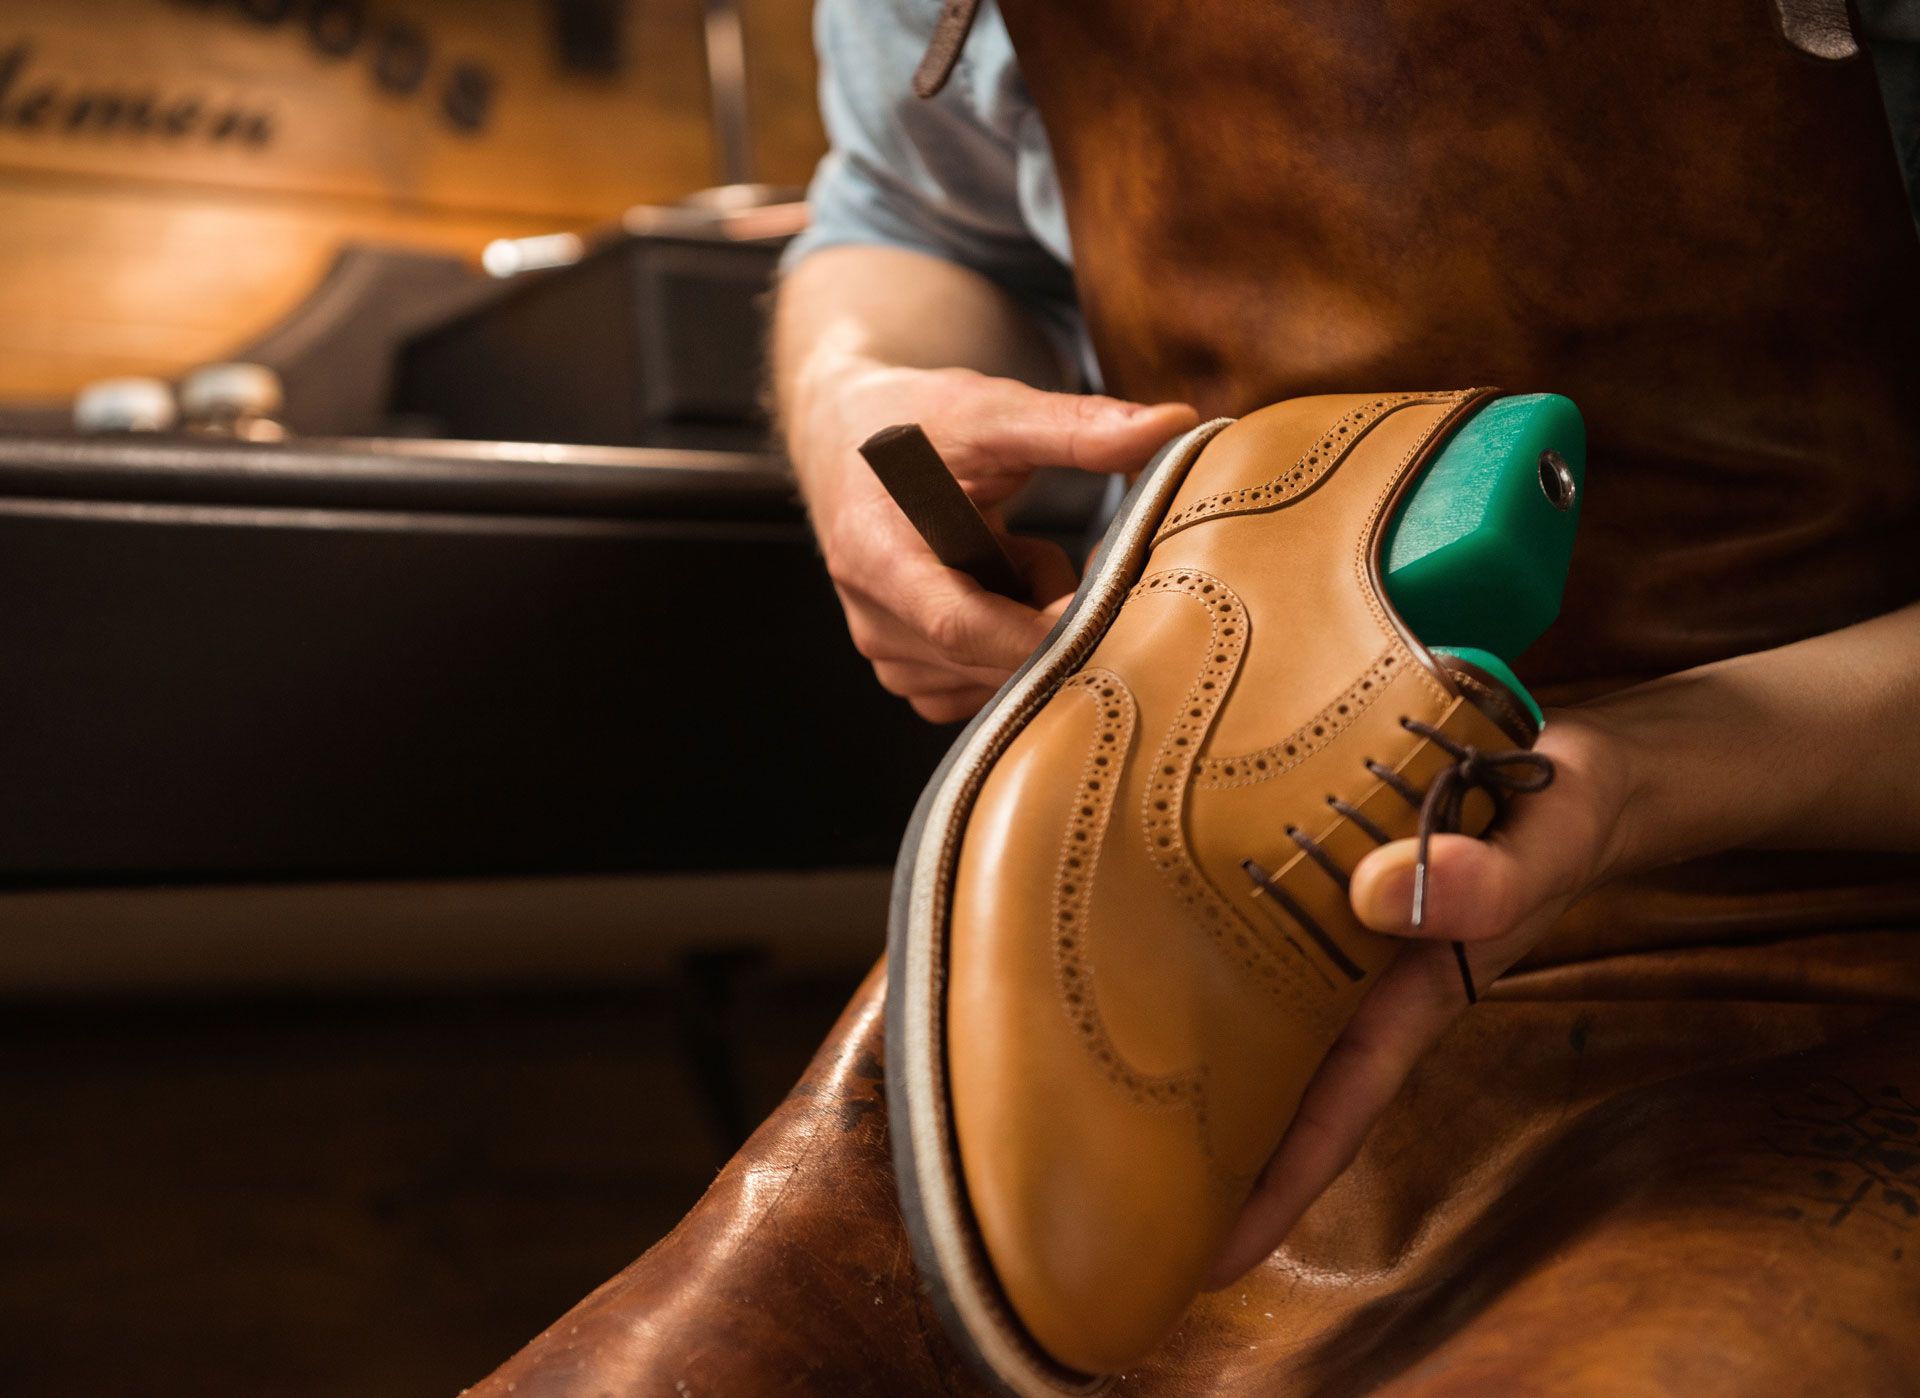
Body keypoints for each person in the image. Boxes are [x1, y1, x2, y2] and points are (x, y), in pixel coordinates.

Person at [475, 2, 1920, 1391]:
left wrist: (1640, 774)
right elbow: (908, 216)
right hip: (1189, 885)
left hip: (1832, 924)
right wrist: (864, 398)